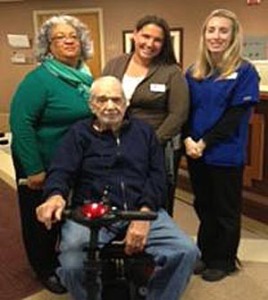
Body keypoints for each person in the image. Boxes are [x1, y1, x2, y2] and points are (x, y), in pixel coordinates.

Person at [36, 76, 199, 300]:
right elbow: (61, 170)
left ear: (126, 102)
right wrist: (55, 195)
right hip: (92, 213)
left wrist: (143, 215)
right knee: (72, 265)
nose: (110, 106)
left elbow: (157, 176)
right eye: (102, 100)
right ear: (91, 105)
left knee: (186, 251)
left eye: (116, 99)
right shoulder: (78, 134)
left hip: (141, 208)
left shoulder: (144, 133)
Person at [9, 15, 94, 293]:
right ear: (48, 46)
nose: (69, 40)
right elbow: (20, 124)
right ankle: (44, 268)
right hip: (41, 161)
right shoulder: (39, 79)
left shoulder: (84, 76)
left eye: (73, 35)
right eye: (60, 37)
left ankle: (63, 256)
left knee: (64, 213)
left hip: (71, 162)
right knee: (42, 220)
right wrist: (33, 168)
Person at [184, 9, 259, 282]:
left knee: (225, 209)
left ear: (233, 35)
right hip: (196, 152)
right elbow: (185, 109)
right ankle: (206, 253)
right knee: (203, 205)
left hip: (225, 153)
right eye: (211, 30)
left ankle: (225, 260)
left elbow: (235, 116)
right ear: (204, 35)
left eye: (223, 30)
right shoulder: (194, 71)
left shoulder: (244, 71)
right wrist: (188, 140)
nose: (216, 36)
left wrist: (204, 142)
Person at [102, 15, 189, 216]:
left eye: (157, 40)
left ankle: (156, 238)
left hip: (155, 144)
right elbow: (101, 96)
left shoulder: (171, 72)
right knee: (119, 190)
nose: (150, 44)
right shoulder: (115, 64)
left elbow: (179, 114)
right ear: (135, 35)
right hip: (115, 139)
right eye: (145, 36)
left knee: (154, 196)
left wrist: (152, 141)